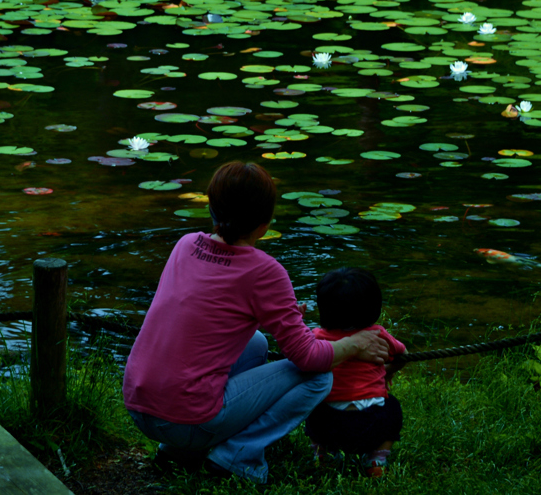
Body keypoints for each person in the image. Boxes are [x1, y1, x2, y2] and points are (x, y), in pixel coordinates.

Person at [123, 162, 390, 484]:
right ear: (265, 222)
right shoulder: (265, 271)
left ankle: (180, 450)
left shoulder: (185, 245)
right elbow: (307, 357)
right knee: (318, 377)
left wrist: (283, 314)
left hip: (140, 407)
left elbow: (211, 312)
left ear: (211, 207)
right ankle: (236, 457)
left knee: (257, 343)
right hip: (186, 420)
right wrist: (354, 343)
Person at [304, 267, 407, 477]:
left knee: (312, 408)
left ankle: (324, 454)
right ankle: (376, 458)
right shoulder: (377, 334)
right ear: (374, 307)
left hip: (328, 425)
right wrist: (387, 372)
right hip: (373, 425)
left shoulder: (316, 337)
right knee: (393, 406)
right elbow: (403, 354)